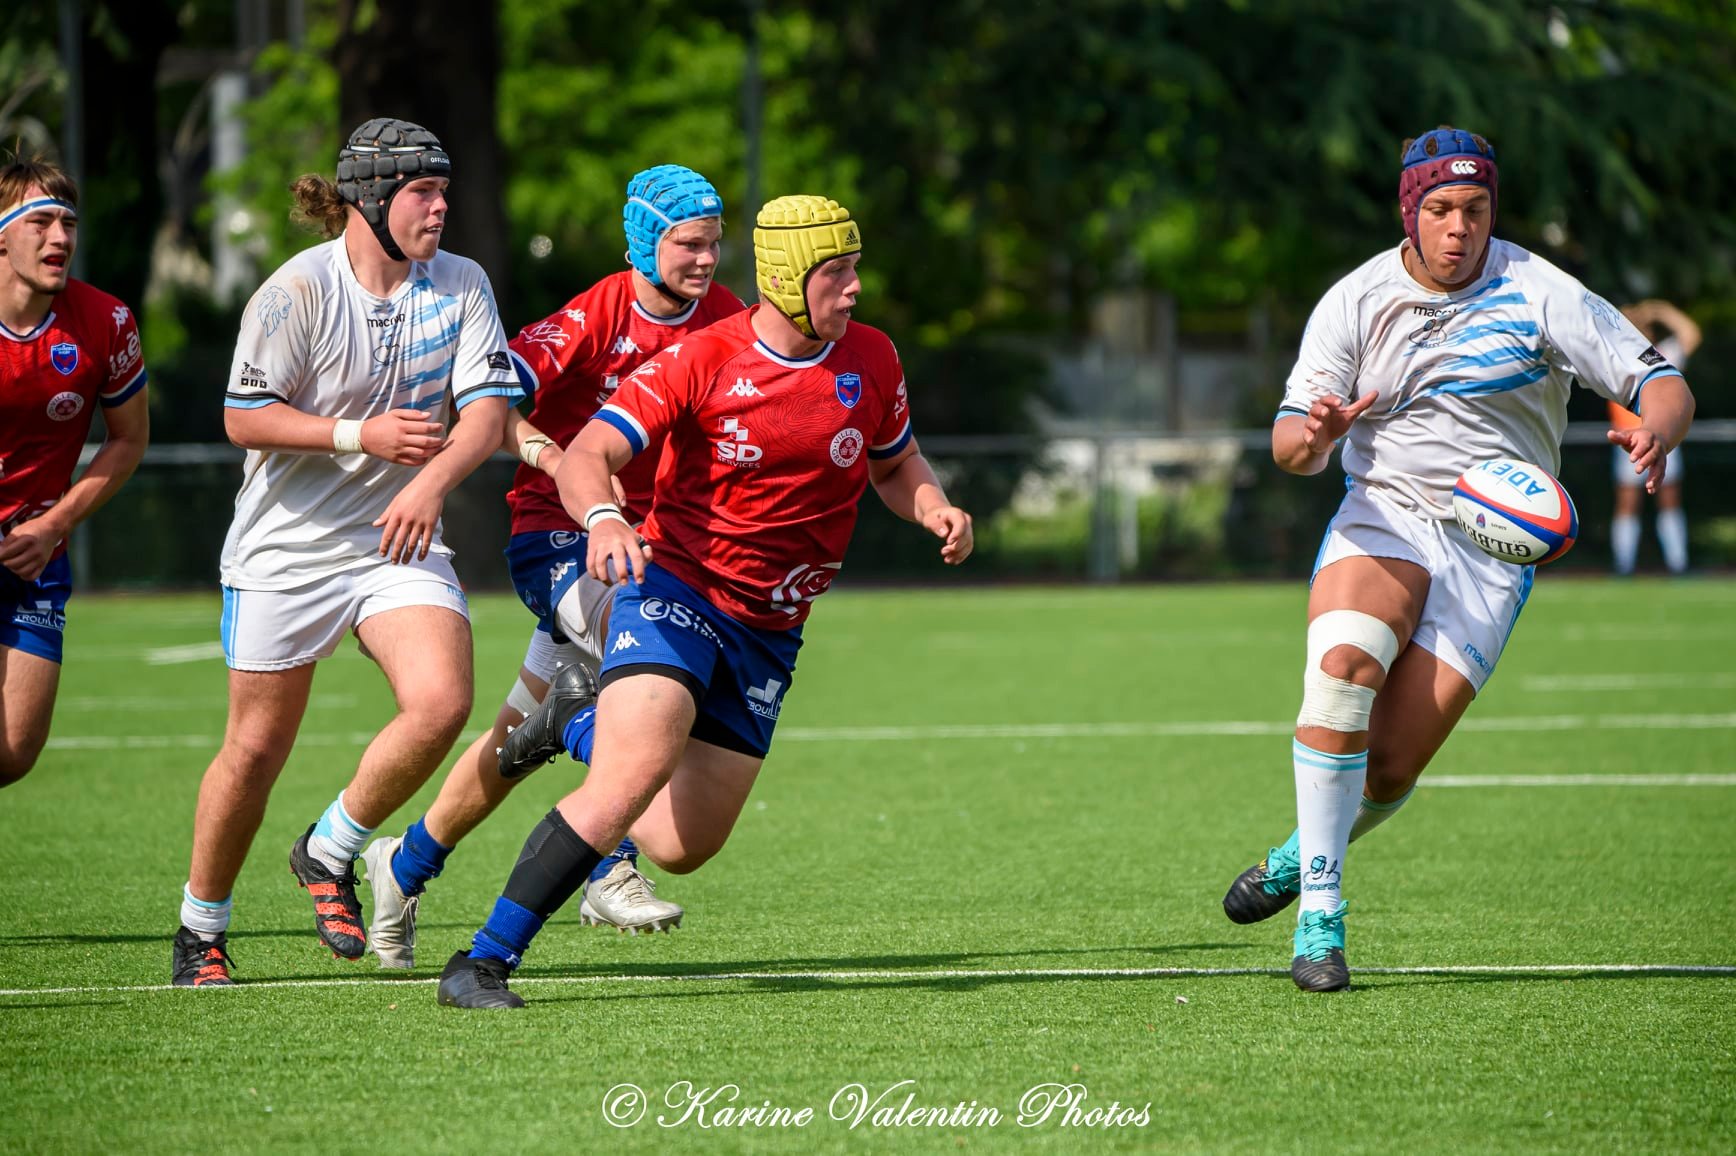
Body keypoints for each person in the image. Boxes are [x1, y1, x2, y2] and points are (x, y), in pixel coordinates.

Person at [436, 194, 974, 1008]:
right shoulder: (705, 357)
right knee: (627, 781)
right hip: (678, 591)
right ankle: (482, 963)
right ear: (791, 278)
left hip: (770, 632)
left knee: (679, 844)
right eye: (838, 272)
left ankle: (570, 719)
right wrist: (608, 515)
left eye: (856, 269)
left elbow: (896, 464)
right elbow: (589, 452)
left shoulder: (874, 358)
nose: (855, 287)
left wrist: (932, 504)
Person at [1219, 127, 1694, 992]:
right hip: (1386, 512)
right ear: (1411, 210)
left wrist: (1658, 426)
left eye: (1476, 210)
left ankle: (1297, 853)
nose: (1458, 229)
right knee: (1342, 669)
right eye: (1440, 209)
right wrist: (1317, 438)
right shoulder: (1356, 301)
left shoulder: (1540, 291)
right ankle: (1321, 917)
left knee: (1392, 764)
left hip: (1490, 549)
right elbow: (1290, 443)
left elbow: (1660, 381)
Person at [358, 164, 746, 967]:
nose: (706, 260)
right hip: (562, 540)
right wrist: (565, 466)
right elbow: (493, 402)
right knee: (646, 674)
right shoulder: (596, 315)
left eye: (713, 243)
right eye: (688, 244)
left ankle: (404, 865)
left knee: (510, 743)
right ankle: (611, 866)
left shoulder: (727, 319)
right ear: (645, 240)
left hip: (648, 547)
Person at [170, 119, 521, 987]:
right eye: (421, 193)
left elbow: (485, 414)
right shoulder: (295, 293)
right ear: (369, 199)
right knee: (253, 752)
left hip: (394, 538)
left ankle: (329, 850)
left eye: (445, 191)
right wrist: (359, 435)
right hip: (284, 552)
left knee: (441, 701)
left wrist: (431, 483)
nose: (441, 208)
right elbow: (243, 416)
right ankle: (200, 927)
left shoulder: (462, 282)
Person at [0, 156, 150, 787]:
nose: (60, 237)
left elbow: (129, 439)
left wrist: (53, 524)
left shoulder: (106, 322)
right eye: (41, 222)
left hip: (36, 558)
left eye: (68, 222)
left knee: (13, 753)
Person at [1610, 300, 1699, 575]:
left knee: (1670, 500)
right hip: (1627, 439)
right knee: (1627, 504)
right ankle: (1623, 567)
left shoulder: (1662, 356)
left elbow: (1691, 335)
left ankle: (1677, 564)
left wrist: (1660, 310)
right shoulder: (1615, 355)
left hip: (1662, 437)